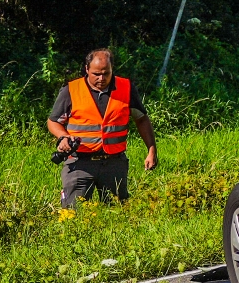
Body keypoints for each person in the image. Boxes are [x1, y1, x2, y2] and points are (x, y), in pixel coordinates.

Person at [46, 48, 156, 208]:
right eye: (96, 74)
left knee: (118, 212)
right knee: (72, 213)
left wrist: (151, 150)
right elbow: (53, 122)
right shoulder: (71, 90)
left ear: (112, 69)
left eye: (106, 73)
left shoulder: (126, 88)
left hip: (114, 163)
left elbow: (142, 119)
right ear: (86, 69)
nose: (101, 78)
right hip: (79, 163)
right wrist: (63, 137)